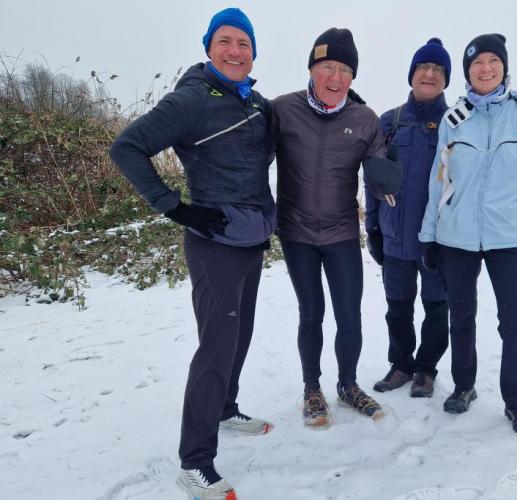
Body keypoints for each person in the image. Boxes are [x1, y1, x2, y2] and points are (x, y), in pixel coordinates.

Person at [110, 8, 274, 499]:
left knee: (240, 334)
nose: (235, 51)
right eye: (225, 41)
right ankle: (195, 462)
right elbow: (127, 147)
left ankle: (225, 409)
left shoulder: (255, 102)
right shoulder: (193, 98)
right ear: (208, 48)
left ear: (253, 53)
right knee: (216, 345)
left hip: (251, 237)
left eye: (244, 43)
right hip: (213, 243)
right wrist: (175, 208)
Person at [418, 33, 517, 435]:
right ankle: (464, 386)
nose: (485, 69)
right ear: (467, 72)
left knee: (516, 322)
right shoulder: (454, 118)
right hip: (456, 237)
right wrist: (429, 234)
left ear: (504, 67)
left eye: (493, 61)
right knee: (461, 316)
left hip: (508, 236)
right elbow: (438, 180)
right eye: (477, 63)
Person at [272, 27, 402, 427]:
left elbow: (379, 168)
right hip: (296, 232)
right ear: (312, 69)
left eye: (346, 70)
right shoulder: (282, 110)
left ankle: (348, 385)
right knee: (310, 313)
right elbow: (250, 157)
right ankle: (312, 389)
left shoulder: (364, 119)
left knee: (349, 315)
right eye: (328, 67)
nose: (336, 77)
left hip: (342, 231)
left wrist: (386, 179)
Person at [365, 38, 451, 398]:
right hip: (395, 236)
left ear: (446, 78)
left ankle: (426, 370)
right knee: (397, 307)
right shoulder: (390, 121)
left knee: (436, 307)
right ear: (412, 74)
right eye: (423, 67)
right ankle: (401, 364)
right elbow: (372, 177)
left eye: (438, 69)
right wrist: (372, 227)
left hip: (439, 240)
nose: (429, 74)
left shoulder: (456, 123)